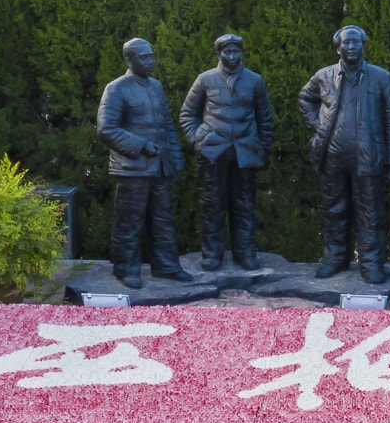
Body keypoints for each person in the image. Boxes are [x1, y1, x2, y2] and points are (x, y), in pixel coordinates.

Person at [298, 24, 390, 284]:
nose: (352, 47)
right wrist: (318, 125)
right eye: (346, 43)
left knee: (370, 211)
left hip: (368, 155)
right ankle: (335, 258)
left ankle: (370, 263)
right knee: (334, 208)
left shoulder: (381, 78)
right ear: (338, 47)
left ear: (363, 46)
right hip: (332, 155)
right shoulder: (324, 76)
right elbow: (304, 99)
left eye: (356, 42)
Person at [96, 37, 192, 289]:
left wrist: (175, 157)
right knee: (130, 220)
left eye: (151, 56)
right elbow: (106, 129)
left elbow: (166, 124)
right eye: (143, 57)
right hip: (132, 168)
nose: (150, 61)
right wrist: (140, 145)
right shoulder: (116, 88)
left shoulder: (156, 86)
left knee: (162, 219)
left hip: (160, 167)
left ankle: (167, 266)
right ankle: (126, 269)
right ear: (129, 59)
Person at [179, 33, 274, 270]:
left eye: (236, 52)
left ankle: (245, 253)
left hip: (245, 153)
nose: (231, 57)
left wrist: (261, 149)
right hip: (212, 153)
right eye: (227, 52)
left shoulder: (254, 81)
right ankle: (212, 254)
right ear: (219, 53)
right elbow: (187, 114)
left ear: (241, 53)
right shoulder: (205, 80)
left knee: (244, 205)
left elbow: (265, 119)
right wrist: (197, 140)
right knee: (212, 204)